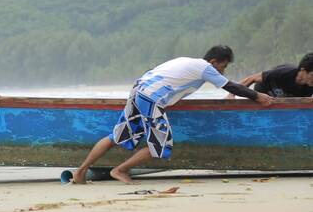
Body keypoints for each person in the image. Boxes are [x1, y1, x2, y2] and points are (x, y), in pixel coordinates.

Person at [72, 45, 274, 184]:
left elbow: (155, 73)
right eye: (223, 66)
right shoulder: (205, 68)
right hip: (151, 100)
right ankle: (120, 170)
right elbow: (230, 86)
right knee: (160, 146)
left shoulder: (185, 60)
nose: (223, 70)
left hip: (138, 91)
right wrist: (257, 96)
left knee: (116, 136)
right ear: (214, 61)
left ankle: (80, 172)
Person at [226, 52, 313, 98]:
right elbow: (251, 79)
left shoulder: (310, 85)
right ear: (303, 70)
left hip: (283, 101)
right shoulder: (284, 73)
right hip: (263, 91)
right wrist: (231, 94)